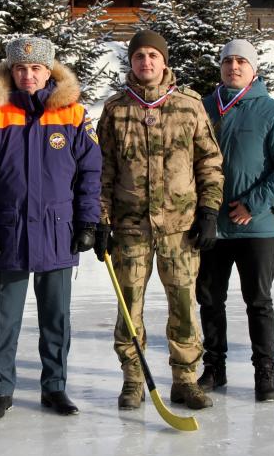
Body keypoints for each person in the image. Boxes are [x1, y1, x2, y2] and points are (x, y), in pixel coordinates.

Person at [0, 37, 101, 420]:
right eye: (21, 69)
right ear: (11, 71)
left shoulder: (73, 115)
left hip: (59, 231)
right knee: (3, 321)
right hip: (8, 232)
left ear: (49, 71)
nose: (28, 75)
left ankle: (54, 386)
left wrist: (89, 219)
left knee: (56, 318)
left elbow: (90, 172)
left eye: (36, 68)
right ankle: (2, 390)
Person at [94, 29, 223, 411]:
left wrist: (210, 211)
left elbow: (209, 162)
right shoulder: (116, 109)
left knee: (183, 304)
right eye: (139, 56)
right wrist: (101, 221)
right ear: (131, 62)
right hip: (130, 229)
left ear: (164, 61)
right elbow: (101, 171)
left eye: (153, 55)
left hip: (180, 230)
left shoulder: (188, 105)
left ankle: (185, 380)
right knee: (128, 306)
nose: (146, 62)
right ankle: (133, 380)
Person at [196, 39, 274, 402]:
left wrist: (253, 203)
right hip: (212, 225)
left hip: (256, 226)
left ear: (253, 70)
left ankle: (264, 373)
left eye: (241, 61)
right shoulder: (204, 108)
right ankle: (214, 368)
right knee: (210, 300)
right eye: (228, 61)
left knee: (258, 301)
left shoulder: (272, 112)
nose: (234, 67)